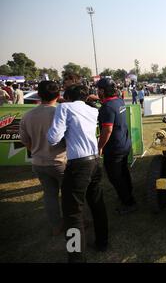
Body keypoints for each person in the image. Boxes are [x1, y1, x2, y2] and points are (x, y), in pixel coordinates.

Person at [47, 84, 108, 262]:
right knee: (97, 204)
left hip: (79, 165)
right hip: (95, 161)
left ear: (67, 97)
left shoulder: (64, 107)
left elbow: (53, 138)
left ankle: (76, 258)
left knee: (72, 213)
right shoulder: (92, 110)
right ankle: (102, 242)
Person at [19, 81, 67, 236]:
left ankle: (56, 226)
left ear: (38, 95)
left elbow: (25, 141)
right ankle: (74, 222)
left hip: (39, 162)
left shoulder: (27, 115)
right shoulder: (61, 113)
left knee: (49, 195)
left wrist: (37, 150)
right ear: (58, 95)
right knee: (69, 193)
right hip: (60, 162)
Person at [96, 78, 137, 215]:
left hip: (114, 148)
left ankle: (128, 203)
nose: (97, 92)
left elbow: (107, 130)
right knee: (123, 172)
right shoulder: (119, 101)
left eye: (98, 90)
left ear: (102, 90)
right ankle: (128, 193)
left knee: (115, 177)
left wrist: (99, 146)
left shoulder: (106, 108)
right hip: (124, 144)